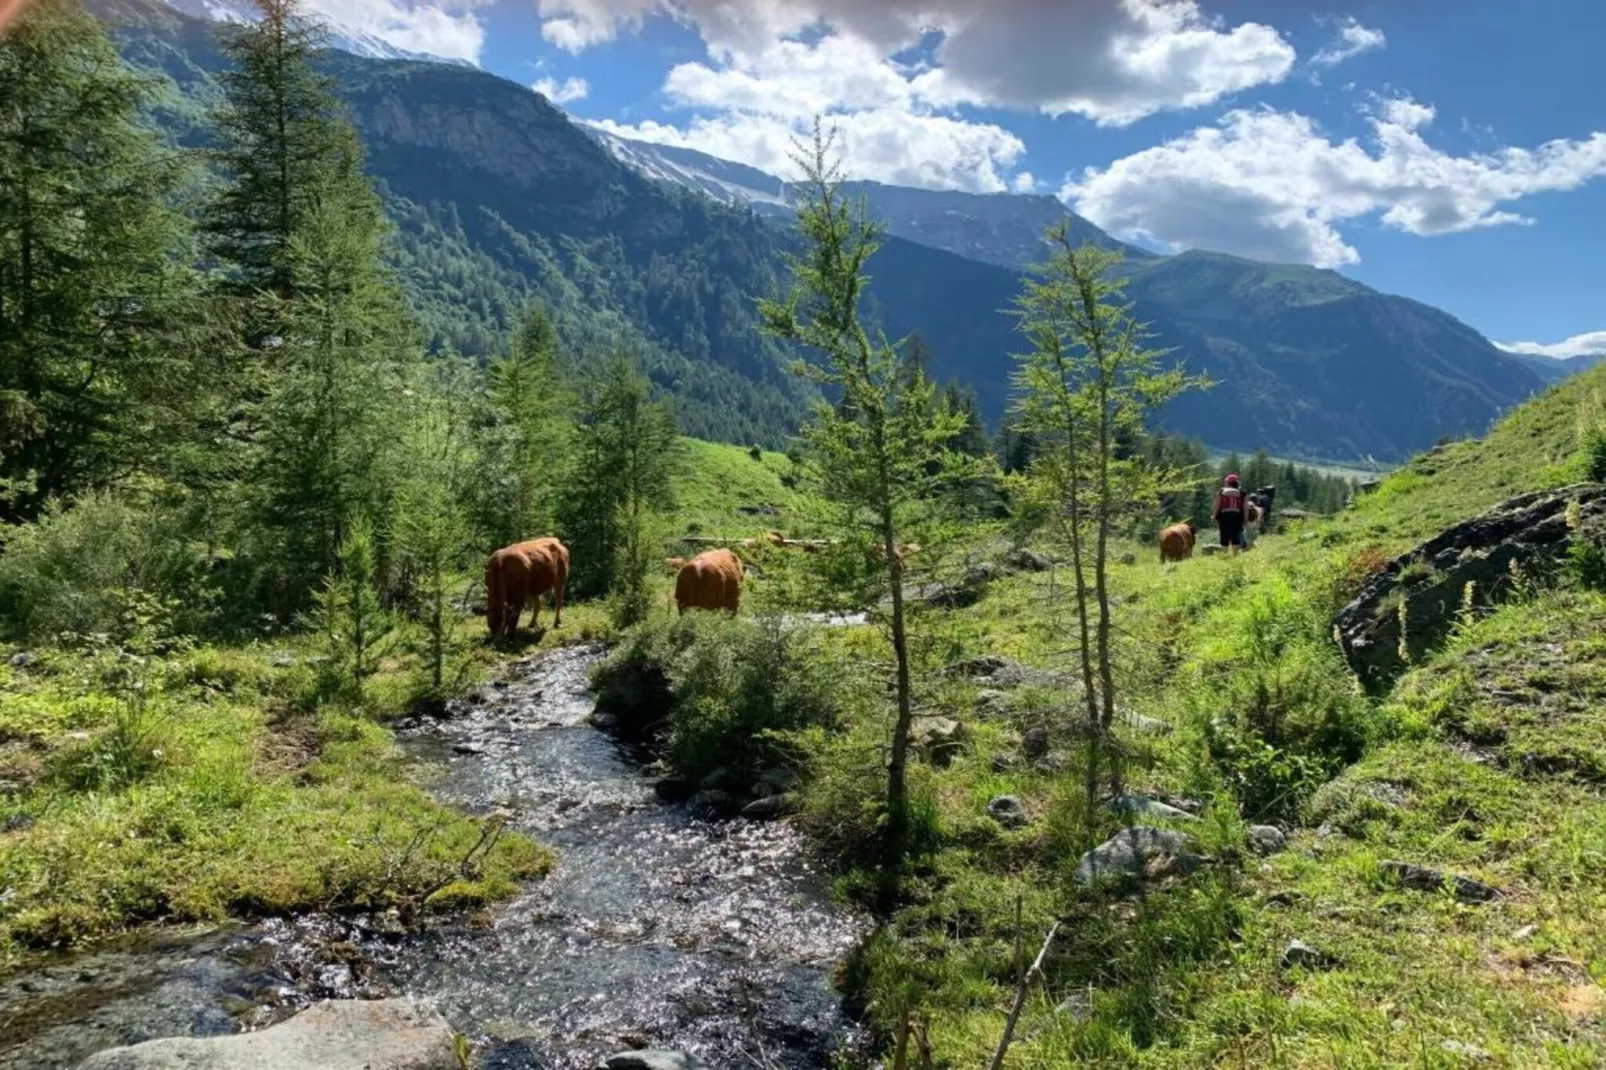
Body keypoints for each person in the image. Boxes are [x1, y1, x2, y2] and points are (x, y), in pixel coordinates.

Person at [1213, 473, 1247, 555]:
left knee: (1224, 535)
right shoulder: (1242, 493)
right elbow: (1245, 508)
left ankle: (1224, 554)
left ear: (1227, 482)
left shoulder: (1221, 491)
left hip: (1224, 516)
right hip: (1237, 516)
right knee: (1235, 535)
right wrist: (1245, 519)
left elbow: (1217, 505)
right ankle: (1235, 555)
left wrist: (1214, 516)